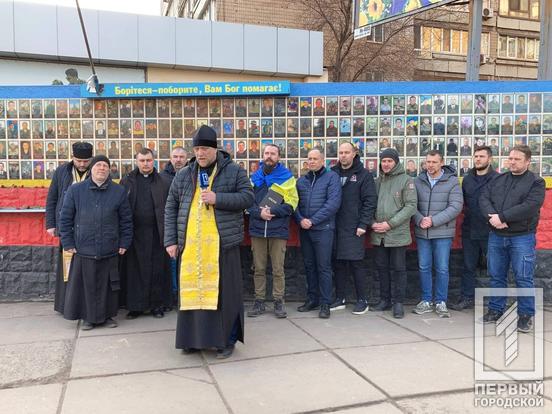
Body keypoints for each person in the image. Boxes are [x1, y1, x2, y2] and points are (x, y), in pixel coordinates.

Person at [164, 125, 254, 359]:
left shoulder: (234, 171)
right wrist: (171, 240)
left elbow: (248, 197)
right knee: (191, 292)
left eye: (204, 149)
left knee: (225, 296)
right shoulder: (185, 174)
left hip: (222, 246)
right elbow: (171, 206)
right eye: (197, 149)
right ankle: (192, 340)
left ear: (215, 149)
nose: (200, 153)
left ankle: (226, 341)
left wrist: (217, 198)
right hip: (191, 246)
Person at [59, 155, 132, 330]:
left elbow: (126, 220)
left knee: (108, 286)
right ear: (91, 169)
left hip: (110, 247)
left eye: (105, 166)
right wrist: (68, 242)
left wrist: (124, 242)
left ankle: (107, 316)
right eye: (98, 165)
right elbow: (65, 218)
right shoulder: (75, 190)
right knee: (87, 286)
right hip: (84, 248)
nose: (102, 169)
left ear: (109, 170)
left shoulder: (118, 191)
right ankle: (88, 318)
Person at [479, 145, 545, 332]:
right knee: (496, 276)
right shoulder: (498, 179)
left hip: (522, 237)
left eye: (517, 159)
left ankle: (525, 315)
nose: (512, 162)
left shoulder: (536, 182)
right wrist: (493, 219)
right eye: (510, 158)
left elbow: (530, 206)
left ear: (527, 161)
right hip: (497, 235)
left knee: (523, 277)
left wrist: (502, 217)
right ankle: (495, 309)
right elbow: (484, 198)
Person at [247, 144, 298, 319]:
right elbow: (247, 202)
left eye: (273, 153)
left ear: (279, 157)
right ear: (263, 156)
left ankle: (278, 301)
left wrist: (273, 211)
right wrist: (259, 213)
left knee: (278, 269)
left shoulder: (287, 178)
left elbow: (292, 203)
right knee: (258, 269)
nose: (269, 156)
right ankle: (259, 301)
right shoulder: (254, 178)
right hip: (257, 229)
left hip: (278, 230)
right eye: (267, 153)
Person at [121, 149, 172, 319]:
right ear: (136, 161)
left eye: (148, 160)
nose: (145, 164)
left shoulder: (164, 181)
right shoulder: (127, 181)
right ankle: (135, 307)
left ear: (154, 161)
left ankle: (157, 306)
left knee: (157, 270)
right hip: (135, 234)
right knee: (135, 271)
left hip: (157, 233)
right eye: (142, 160)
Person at [413, 150, 463, 318]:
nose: (430, 165)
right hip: (423, 232)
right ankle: (426, 300)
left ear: (441, 163)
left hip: (442, 232)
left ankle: (441, 301)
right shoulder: (418, 181)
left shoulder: (452, 181)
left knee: (442, 268)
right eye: (428, 161)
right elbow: (411, 204)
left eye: (434, 162)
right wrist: (420, 219)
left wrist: (433, 220)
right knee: (424, 266)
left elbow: (455, 206)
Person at [45, 142, 93, 314]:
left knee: (84, 267)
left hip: (88, 228)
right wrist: (51, 224)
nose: (82, 164)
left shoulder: (97, 170)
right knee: (67, 267)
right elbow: (52, 198)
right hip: (67, 226)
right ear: (72, 157)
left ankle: (84, 304)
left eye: (86, 161)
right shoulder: (62, 172)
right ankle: (65, 305)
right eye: (79, 161)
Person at [369, 149, 417, 318]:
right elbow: (369, 204)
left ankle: (398, 303)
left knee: (398, 269)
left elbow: (410, 206)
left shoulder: (406, 180)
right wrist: (372, 223)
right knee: (381, 269)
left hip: (397, 234)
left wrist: (389, 224)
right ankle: (384, 300)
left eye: (389, 161)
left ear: (396, 162)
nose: (386, 164)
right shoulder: (377, 182)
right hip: (378, 234)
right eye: (383, 161)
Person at [295, 149, 342, 319]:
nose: (312, 161)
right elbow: (294, 203)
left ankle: (325, 303)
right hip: (305, 230)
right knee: (309, 266)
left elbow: (333, 204)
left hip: (323, 230)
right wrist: (300, 219)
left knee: (324, 267)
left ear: (323, 161)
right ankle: (312, 299)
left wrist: (312, 221)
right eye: (309, 159)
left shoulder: (332, 178)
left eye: (315, 159)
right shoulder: (301, 181)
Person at [330, 143, 376, 314]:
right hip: (334, 226)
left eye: (347, 152)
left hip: (355, 226)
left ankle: (362, 300)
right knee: (338, 264)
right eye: (341, 152)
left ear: (354, 153)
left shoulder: (364, 175)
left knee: (356, 264)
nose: (343, 155)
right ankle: (340, 299)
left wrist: (363, 224)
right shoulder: (332, 173)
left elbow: (370, 201)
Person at [450, 147, 497, 311]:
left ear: (489, 159)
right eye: (476, 156)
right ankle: (466, 298)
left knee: (495, 269)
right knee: (468, 266)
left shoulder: (498, 179)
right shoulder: (468, 179)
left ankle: (497, 303)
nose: (478, 159)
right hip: (470, 229)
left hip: (491, 230)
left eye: (482, 156)